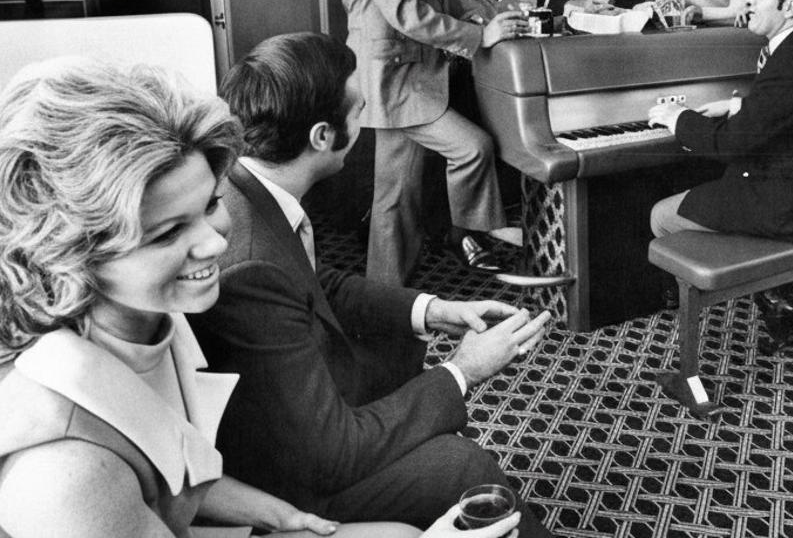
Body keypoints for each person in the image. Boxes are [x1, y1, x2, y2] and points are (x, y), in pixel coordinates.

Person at [0, 57, 474, 538]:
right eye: (167, 234)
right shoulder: (63, 479)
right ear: (69, 255)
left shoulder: (150, 315)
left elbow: (171, 460)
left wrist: (280, 516)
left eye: (210, 205)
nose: (214, 243)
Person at [191, 32, 552, 534]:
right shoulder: (252, 261)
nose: (364, 118)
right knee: (460, 465)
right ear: (322, 136)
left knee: (400, 359)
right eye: (358, 109)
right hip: (278, 476)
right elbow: (328, 453)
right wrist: (464, 370)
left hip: (285, 411)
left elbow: (317, 284)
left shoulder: (248, 185)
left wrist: (434, 309)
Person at [340, 0, 527, 284]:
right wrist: (479, 37)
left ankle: (387, 295)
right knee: (471, 148)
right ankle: (477, 231)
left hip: (409, 78)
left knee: (395, 197)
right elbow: (406, 12)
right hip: (397, 82)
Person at [647, 0, 793, 346]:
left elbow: (731, 143)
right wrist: (736, 106)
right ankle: (777, 295)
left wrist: (678, 118)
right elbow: (792, 108)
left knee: (662, 217)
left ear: (789, 7)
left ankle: (749, 299)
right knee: (714, 186)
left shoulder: (792, 58)